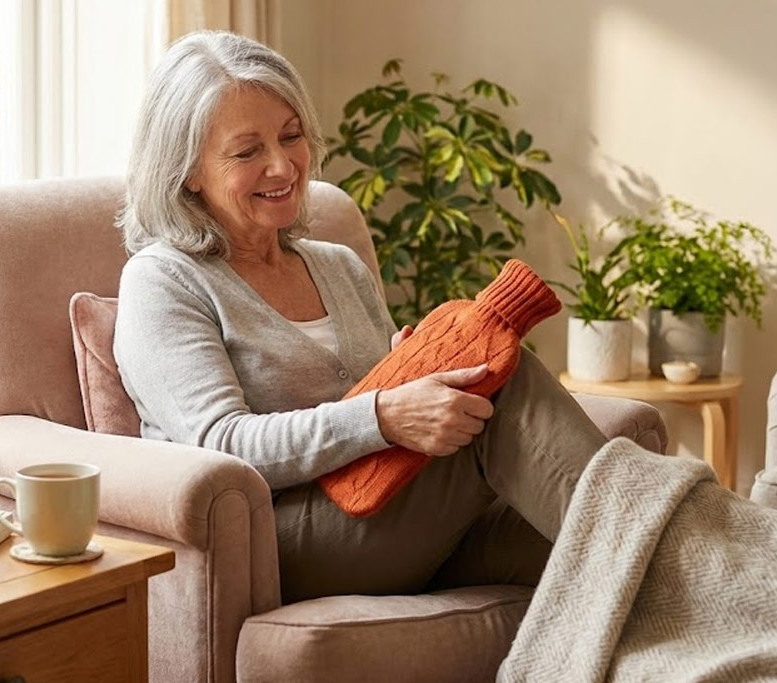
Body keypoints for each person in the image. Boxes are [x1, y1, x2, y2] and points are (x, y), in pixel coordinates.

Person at [113, 30, 616, 603]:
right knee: (505, 378)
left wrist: (407, 373)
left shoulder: (337, 265)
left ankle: (714, 584)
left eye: (291, 136)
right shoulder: (164, 280)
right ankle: (716, 564)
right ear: (188, 170)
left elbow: (388, 408)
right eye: (247, 151)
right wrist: (380, 413)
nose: (282, 166)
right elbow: (219, 444)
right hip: (288, 542)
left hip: (396, 512)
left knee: (606, 560)